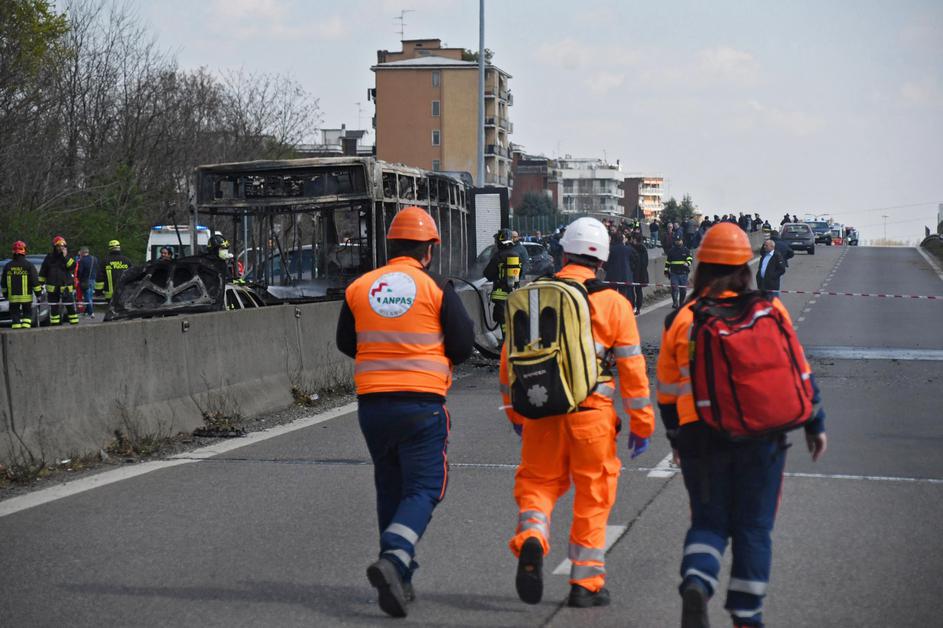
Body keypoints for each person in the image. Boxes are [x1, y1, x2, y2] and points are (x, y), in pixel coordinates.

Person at [656, 222, 827, 628]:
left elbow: (665, 391)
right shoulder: (771, 309)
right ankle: (747, 616)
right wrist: (814, 422)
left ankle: (698, 581)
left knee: (709, 522)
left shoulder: (684, 319)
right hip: (762, 438)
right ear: (745, 266)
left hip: (702, 436)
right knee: (753, 528)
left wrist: (677, 438)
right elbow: (799, 372)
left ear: (700, 267)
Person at [499, 217, 654, 609]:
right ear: (601, 260)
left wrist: (517, 416)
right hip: (592, 416)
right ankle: (585, 585)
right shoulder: (614, 304)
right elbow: (633, 371)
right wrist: (642, 423)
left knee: (537, 485)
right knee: (593, 495)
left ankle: (532, 538)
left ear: (562, 252)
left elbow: (509, 363)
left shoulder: (535, 295)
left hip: (540, 410)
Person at [335, 206, 474, 618]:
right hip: (421, 405)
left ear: (391, 245)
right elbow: (463, 346)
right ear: (429, 250)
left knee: (390, 488)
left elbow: (347, 341)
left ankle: (400, 579)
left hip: (373, 406)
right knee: (425, 488)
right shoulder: (436, 289)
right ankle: (395, 559)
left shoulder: (360, 287)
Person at [484, 228, 523, 337]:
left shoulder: (498, 256)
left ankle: (506, 341)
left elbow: (487, 273)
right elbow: (520, 274)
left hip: (501, 294)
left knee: (502, 318)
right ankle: (512, 340)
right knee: (511, 316)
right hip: (514, 293)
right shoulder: (517, 256)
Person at [39, 236, 78, 325]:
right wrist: (40, 285)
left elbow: (72, 267)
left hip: (66, 288)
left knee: (70, 307)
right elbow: (43, 272)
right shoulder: (49, 257)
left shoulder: (68, 257)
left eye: (63, 246)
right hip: (52, 288)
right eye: (58, 246)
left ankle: (75, 325)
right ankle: (55, 326)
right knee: (54, 309)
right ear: (55, 247)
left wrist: (65, 257)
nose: (61, 248)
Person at [2, 241, 40, 329]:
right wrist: (38, 294)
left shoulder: (8, 266)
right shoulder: (29, 265)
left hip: (13, 298)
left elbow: (3, 283)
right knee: (27, 314)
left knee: (15, 316)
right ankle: (25, 330)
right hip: (26, 298)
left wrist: (5, 294)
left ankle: (16, 330)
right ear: (24, 251)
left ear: (13, 252)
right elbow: (35, 281)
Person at [603, 231, 635, 306]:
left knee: (611, 295)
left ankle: (612, 309)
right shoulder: (628, 249)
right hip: (625, 276)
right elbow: (634, 260)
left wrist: (606, 269)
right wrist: (631, 269)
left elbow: (606, 262)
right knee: (623, 296)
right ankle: (621, 310)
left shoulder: (611, 249)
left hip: (612, 276)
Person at [665, 235, 693, 308]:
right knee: (674, 288)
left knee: (683, 290)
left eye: (679, 240)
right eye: (676, 241)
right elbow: (668, 262)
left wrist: (688, 263)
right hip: (674, 273)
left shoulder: (686, 250)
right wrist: (666, 271)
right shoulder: (671, 251)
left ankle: (681, 303)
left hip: (684, 273)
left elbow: (690, 258)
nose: (678, 242)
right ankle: (675, 303)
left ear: (682, 241)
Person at [629, 232, 649, 315]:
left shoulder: (631, 248)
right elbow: (645, 262)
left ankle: (633, 307)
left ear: (634, 239)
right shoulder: (643, 249)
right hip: (640, 273)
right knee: (638, 291)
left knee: (631, 291)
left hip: (632, 272)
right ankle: (638, 308)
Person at [76, 246, 98, 318]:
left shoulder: (82, 260)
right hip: (93, 280)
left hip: (85, 280)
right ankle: (86, 312)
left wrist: (79, 278)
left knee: (87, 297)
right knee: (90, 296)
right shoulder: (94, 259)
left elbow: (80, 271)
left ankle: (91, 312)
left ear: (82, 253)